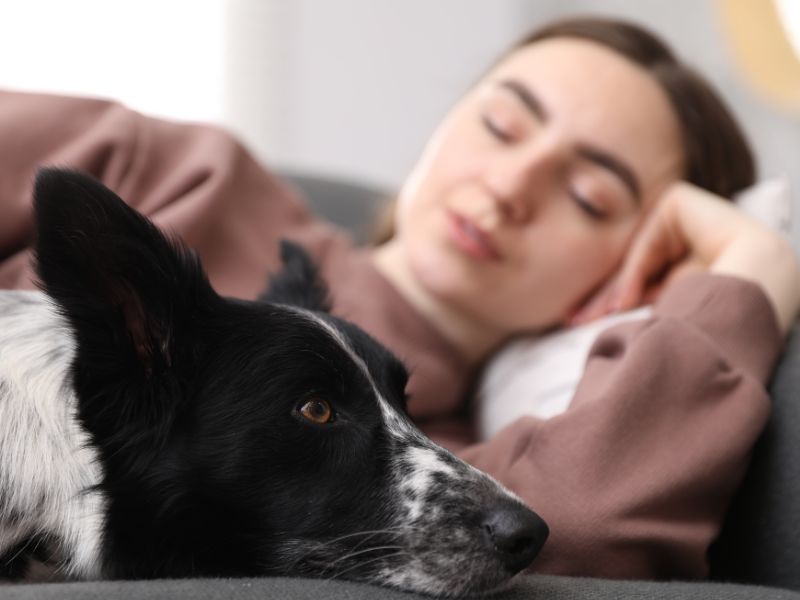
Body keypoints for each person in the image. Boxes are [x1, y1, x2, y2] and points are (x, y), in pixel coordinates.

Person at [0, 16, 798, 580]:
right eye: (502, 124)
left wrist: (750, 268)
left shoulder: (481, 453)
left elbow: (580, 532)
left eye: (590, 196)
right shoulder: (184, 169)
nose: (510, 186)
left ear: (637, 272)